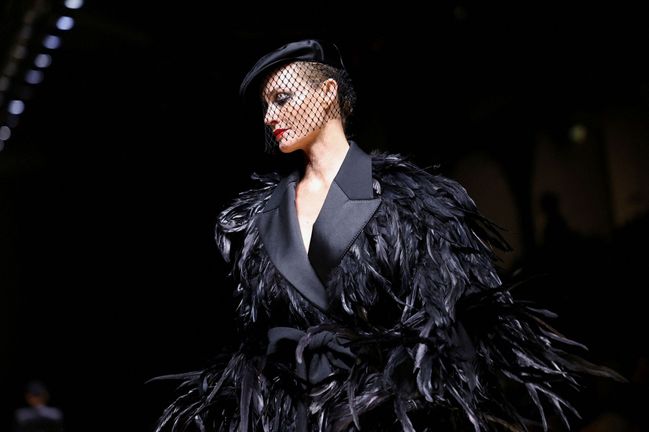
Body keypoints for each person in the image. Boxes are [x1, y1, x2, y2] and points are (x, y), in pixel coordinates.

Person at [154, 39, 622, 431]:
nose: (268, 116)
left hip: (386, 416)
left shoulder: (408, 200)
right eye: (264, 106)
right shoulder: (258, 220)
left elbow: (453, 320)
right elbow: (254, 339)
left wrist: (393, 385)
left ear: (327, 93)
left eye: (282, 98)